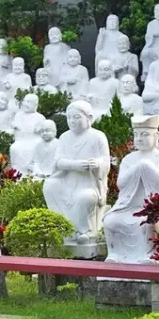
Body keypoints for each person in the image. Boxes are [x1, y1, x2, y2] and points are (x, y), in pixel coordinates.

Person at [103, 115, 159, 264]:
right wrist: (137, 168)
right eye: (136, 135)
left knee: (149, 221)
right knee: (110, 221)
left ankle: (151, 255)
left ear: (156, 136)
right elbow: (121, 184)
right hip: (129, 205)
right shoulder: (129, 159)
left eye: (145, 134)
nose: (140, 138)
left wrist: (147, 167)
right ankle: (115, 254)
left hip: (152, 207)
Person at [43, 100, 110, 246]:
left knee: (85, 197)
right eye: (69, 117)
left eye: (76, 117)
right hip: (67, 180)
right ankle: (62, 227)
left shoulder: (98, 137)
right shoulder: (64, 137)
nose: (72, 121)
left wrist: (97, 163)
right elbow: (58, 161)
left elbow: (105, 162)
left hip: (88, 183)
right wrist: (75, 165)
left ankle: (85, 232)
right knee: (50, 186)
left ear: (89, 118)